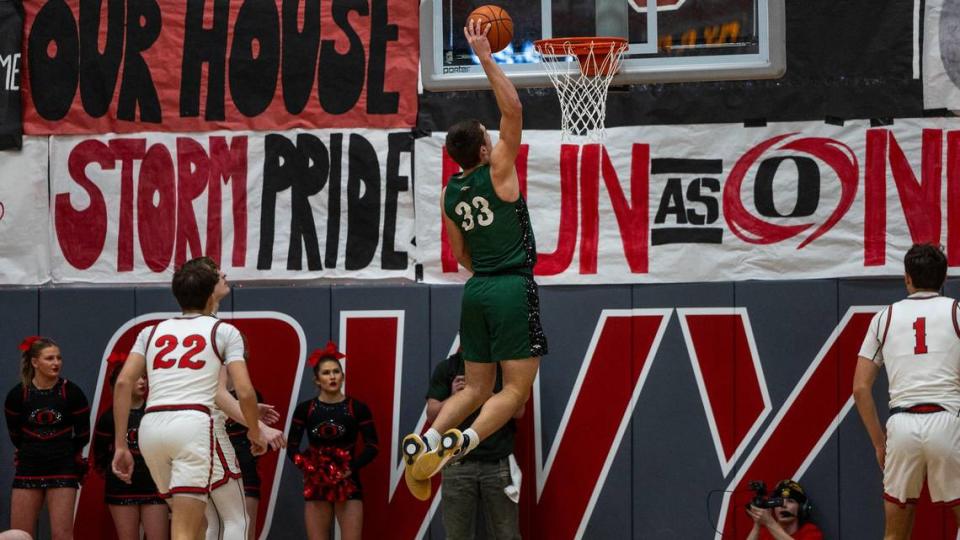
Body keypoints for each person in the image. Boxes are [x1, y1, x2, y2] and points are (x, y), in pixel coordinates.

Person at [402, 17, 547, 495]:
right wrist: (486, 56)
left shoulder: (450, 192)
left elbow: (460, 254)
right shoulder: (499, 168)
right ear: (485, 149)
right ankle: (463, 441)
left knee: (476, 388)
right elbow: (515, 110)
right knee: (514, 390)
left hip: (476, 289)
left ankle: (427, 442)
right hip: (509, 286)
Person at [112, 257, 265, 540]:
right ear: (210, 294)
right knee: (214, 523)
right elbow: (244, 391)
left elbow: (123, 382)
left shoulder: (150, 331)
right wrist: (256, 432)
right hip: (193, 425)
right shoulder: (224, 331)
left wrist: (121, 444)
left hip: (151, 429)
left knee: (196, 525)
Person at [853, 243, 960, 539]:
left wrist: (879, 442)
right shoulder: (956, 312)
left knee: (895, 533)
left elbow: (861, 388)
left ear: (907, 278)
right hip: (948, 421)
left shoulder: (883, 319)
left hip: (901, 426)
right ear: (943, 279)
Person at [425, 350, 522, 537]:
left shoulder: (504, 368)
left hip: (497, 463)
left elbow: (519, 411)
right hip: (456, 464)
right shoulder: (448, 368)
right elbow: (431, 415)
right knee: (457, 536)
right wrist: (455, 397)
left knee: (506, 534)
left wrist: (484, 394)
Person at [287, 343, 378, 540]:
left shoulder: (358, 408)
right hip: (317, 483)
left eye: (336, 371)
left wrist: (350, 468)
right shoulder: (306, 409)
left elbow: (373, 446)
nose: (332, 376)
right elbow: (291, 446)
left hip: (348, 481)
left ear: (343, 376)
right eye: (326, 373)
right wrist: (309, 467)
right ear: (317, 380)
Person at [4, 336, 90, 540]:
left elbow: (83, 433)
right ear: (35, 362)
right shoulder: (18, 395)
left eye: (59, 358)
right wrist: (34, 450)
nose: (56, 363)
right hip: (29, 467)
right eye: (50, 358)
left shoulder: (72, 392)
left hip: (63, 468)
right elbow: (15, 435)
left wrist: (62, 451)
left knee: (62, 534)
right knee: (19, 535)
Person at [92, 360, 168, 540]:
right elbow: (100, 455)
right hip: (122, 487)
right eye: (136, 378)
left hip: (155, 486)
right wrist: (118, 473)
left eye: (144, 377)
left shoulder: (156, 411)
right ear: (121, 383)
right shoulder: (109, 417)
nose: (142, 382)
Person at [745, 479, 823, 540]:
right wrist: (757, 524)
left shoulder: (810, 531)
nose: (783, 505)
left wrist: (769, 522)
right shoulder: (765, 533)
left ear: (801, 508)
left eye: (790, 501)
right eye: (778, 502)